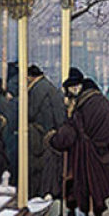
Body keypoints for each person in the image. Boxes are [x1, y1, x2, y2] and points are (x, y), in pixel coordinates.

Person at [49, 68, 109, 216]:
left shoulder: (79, 106)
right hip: (101, 155)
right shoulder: (102, 101)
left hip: (81, 155)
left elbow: (68, 135)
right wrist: (99, 146)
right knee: (98, 190)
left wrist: (52, 139)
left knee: (78, 188)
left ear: (76, 87)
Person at [28, 66, 67, 200]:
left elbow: (31, 112)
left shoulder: (38, 88)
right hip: (51, 131)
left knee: (43, 166)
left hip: (43, 133)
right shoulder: (48, 86)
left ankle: (43, 192)